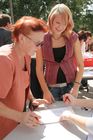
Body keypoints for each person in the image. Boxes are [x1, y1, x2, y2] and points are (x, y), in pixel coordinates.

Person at [0, 16, 49, 139]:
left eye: (41, 44)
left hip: (16, 127)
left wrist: (32, 99)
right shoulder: (4, 60)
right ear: (21, 38)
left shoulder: (26, 55)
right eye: (37, 43)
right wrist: (20, 116)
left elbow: (24, 83)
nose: (39, 48)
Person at [36, 3, 84, 104]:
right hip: (50, 88)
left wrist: (76, 87)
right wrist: (45, 91)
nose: (61, 26)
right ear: (51, 20)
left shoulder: (73, 38)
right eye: (57, 22)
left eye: (64, 23)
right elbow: (39, 69)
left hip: (71, 86)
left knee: (71, 117)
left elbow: (80, 65)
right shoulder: (41, 39)